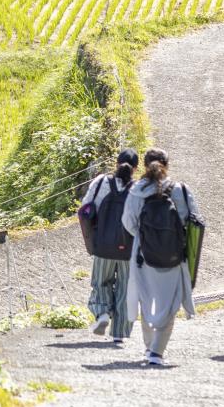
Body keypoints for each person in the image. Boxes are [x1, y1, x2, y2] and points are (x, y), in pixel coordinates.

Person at [122, 148, 200, 367]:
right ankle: (157, 351)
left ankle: (148, 347)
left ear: (146, 166)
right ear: (167, 164)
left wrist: (145, 236)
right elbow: (191, 221)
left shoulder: (137, 190)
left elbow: (129, 223)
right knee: (170, 303)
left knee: (146, 301)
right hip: (174, 256)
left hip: (143, 255)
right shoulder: (180, 190)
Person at [80, 148, 138, 345]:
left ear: (116, 163)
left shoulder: (101, 182)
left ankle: (102, 313)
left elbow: (85, 208)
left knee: (100, 282)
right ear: (136, 169)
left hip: (103, 246)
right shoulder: (138, 189)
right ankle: (119, 334)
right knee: (125, 289)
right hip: (128, 250)